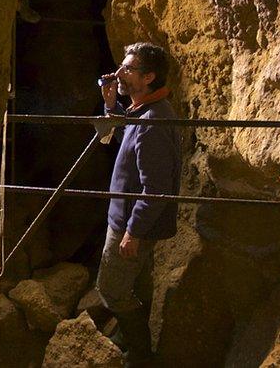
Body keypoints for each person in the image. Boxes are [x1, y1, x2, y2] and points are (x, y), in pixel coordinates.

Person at [96, 42, 182, 367]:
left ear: (148, 77)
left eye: (128, 69)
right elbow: (128, 145)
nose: (119, 73)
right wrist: (110, 106)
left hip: (130, 225)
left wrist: (133, 231)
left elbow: (156, 188)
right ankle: (133, 340)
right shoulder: (146, 113)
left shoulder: (154, 123)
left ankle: (140, 354)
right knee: (138, 282)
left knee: (111, 289)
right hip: (132, 221)